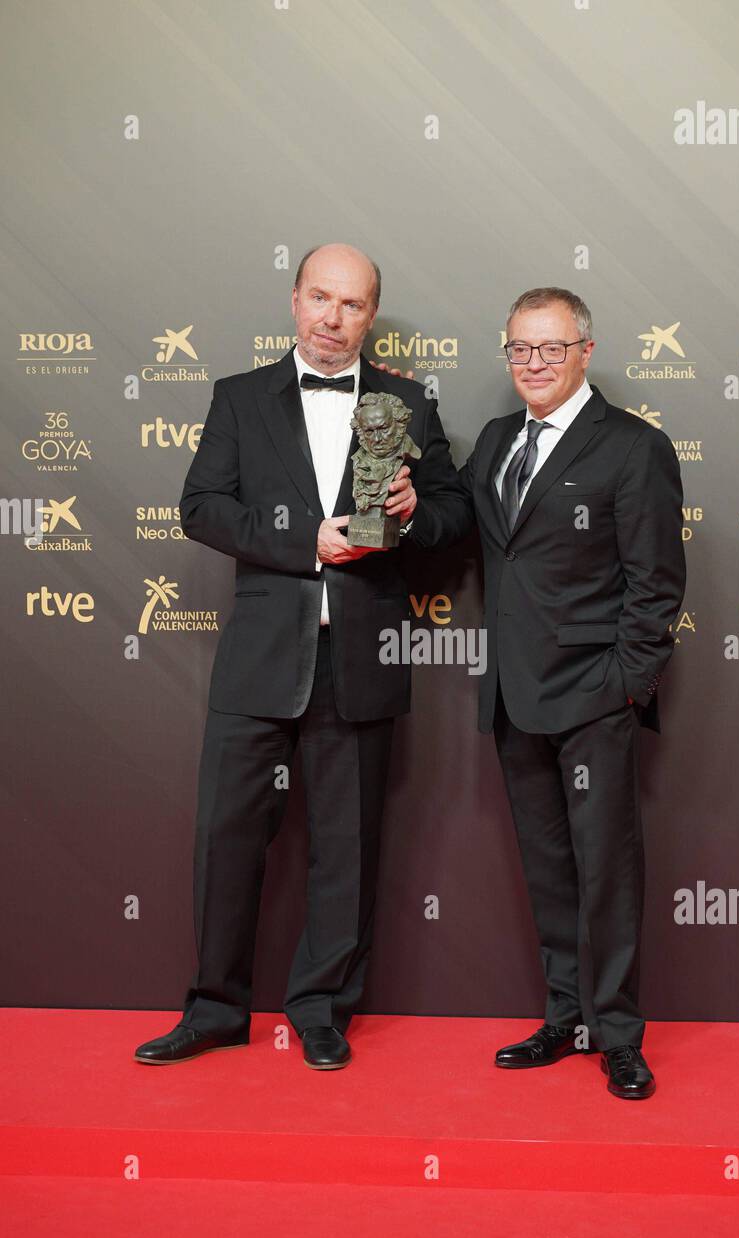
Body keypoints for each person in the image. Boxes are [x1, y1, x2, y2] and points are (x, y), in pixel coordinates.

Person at [134, 242, 464, 1072]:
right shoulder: (240, 399)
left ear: (370, 316)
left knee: (345, 849)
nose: (333, 317)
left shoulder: (409, 404)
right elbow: (200, 508)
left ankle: (322, 1009)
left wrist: (417, 508)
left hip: (362, 660)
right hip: (258, 663)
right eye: (321, 297)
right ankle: (214, 1009)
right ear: (294, 300)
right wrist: (300, 539)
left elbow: (456, 518)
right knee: (226, 840)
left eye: (352, 305)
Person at [407, 287, 687, 1098]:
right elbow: (451, 521)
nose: (534, 364)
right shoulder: (497, 440)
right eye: (520, 350)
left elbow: (657, 586)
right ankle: (566, 1017)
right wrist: (395, 462)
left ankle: (621, 1036)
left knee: (609, 873)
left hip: (595, 700)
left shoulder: (633, 449)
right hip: (513, 698)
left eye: (551, 349)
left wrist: (624, 688)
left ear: (584, 353)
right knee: (549, 871)